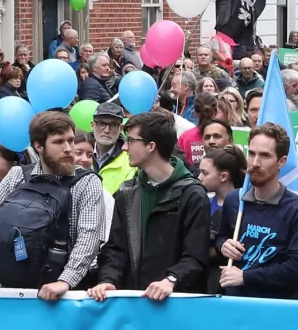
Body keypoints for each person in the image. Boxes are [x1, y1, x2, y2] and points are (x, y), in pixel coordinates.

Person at [0, 111, 110, 300]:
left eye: (70, 141)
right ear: (39, 146)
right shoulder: (16, 175)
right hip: (13, 288)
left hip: (66, 295)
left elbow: (89, 237)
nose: (68, 148)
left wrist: (65, 281)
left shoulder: (87, 182)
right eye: (58, 142)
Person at [87, 110, 211, 300]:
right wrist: (107, 279)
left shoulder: (192, 194)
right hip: (134, 303)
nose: (125, 147)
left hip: (176, 306)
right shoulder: (126, 193)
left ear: (151, 146)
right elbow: (115, 249)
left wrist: (172, 279)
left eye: (131, 141)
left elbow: (195, 257)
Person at [215, 127, 298, 299]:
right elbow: (219, 238)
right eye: (252, 154)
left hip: (276, 307)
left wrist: (246, 277)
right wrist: (223, 245)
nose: (255, 163)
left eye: (265, 156)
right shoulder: (234, 200)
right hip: (235, 302)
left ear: (281, 161)